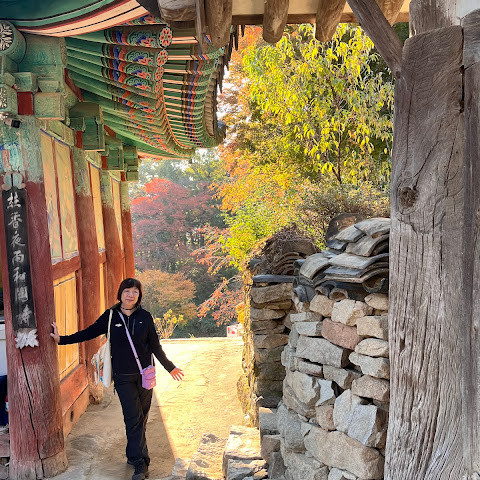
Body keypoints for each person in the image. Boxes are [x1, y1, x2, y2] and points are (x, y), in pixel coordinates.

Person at [51, 277, 184, 480]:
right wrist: (62, 339)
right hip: (123, 378)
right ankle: (141, 464)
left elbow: (155, 346)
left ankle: (133, 453)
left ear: (139, 295)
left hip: (145, 375)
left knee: (141, 417)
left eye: (135, 292)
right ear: (120, 293)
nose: (131, 295)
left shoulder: (145, 317)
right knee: (133, 418)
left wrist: (170, 367)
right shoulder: (111, 316)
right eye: (127, 291)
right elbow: (88, 333)